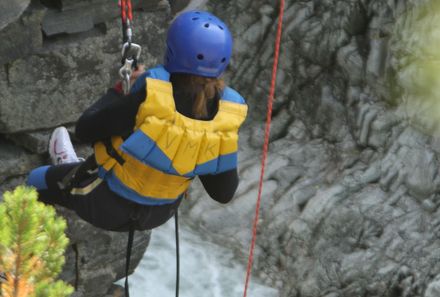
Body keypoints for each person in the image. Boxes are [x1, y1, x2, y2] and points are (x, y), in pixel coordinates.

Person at [26, 10, 248, 233]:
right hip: (158, 215)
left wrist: (120, 92)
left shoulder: (152, 97)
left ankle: (27, 247)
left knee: (35, 180)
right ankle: (70, 168)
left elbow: (86, 129)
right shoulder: (226, 115)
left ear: (172, 51)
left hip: (102, 203)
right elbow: (223, 193)